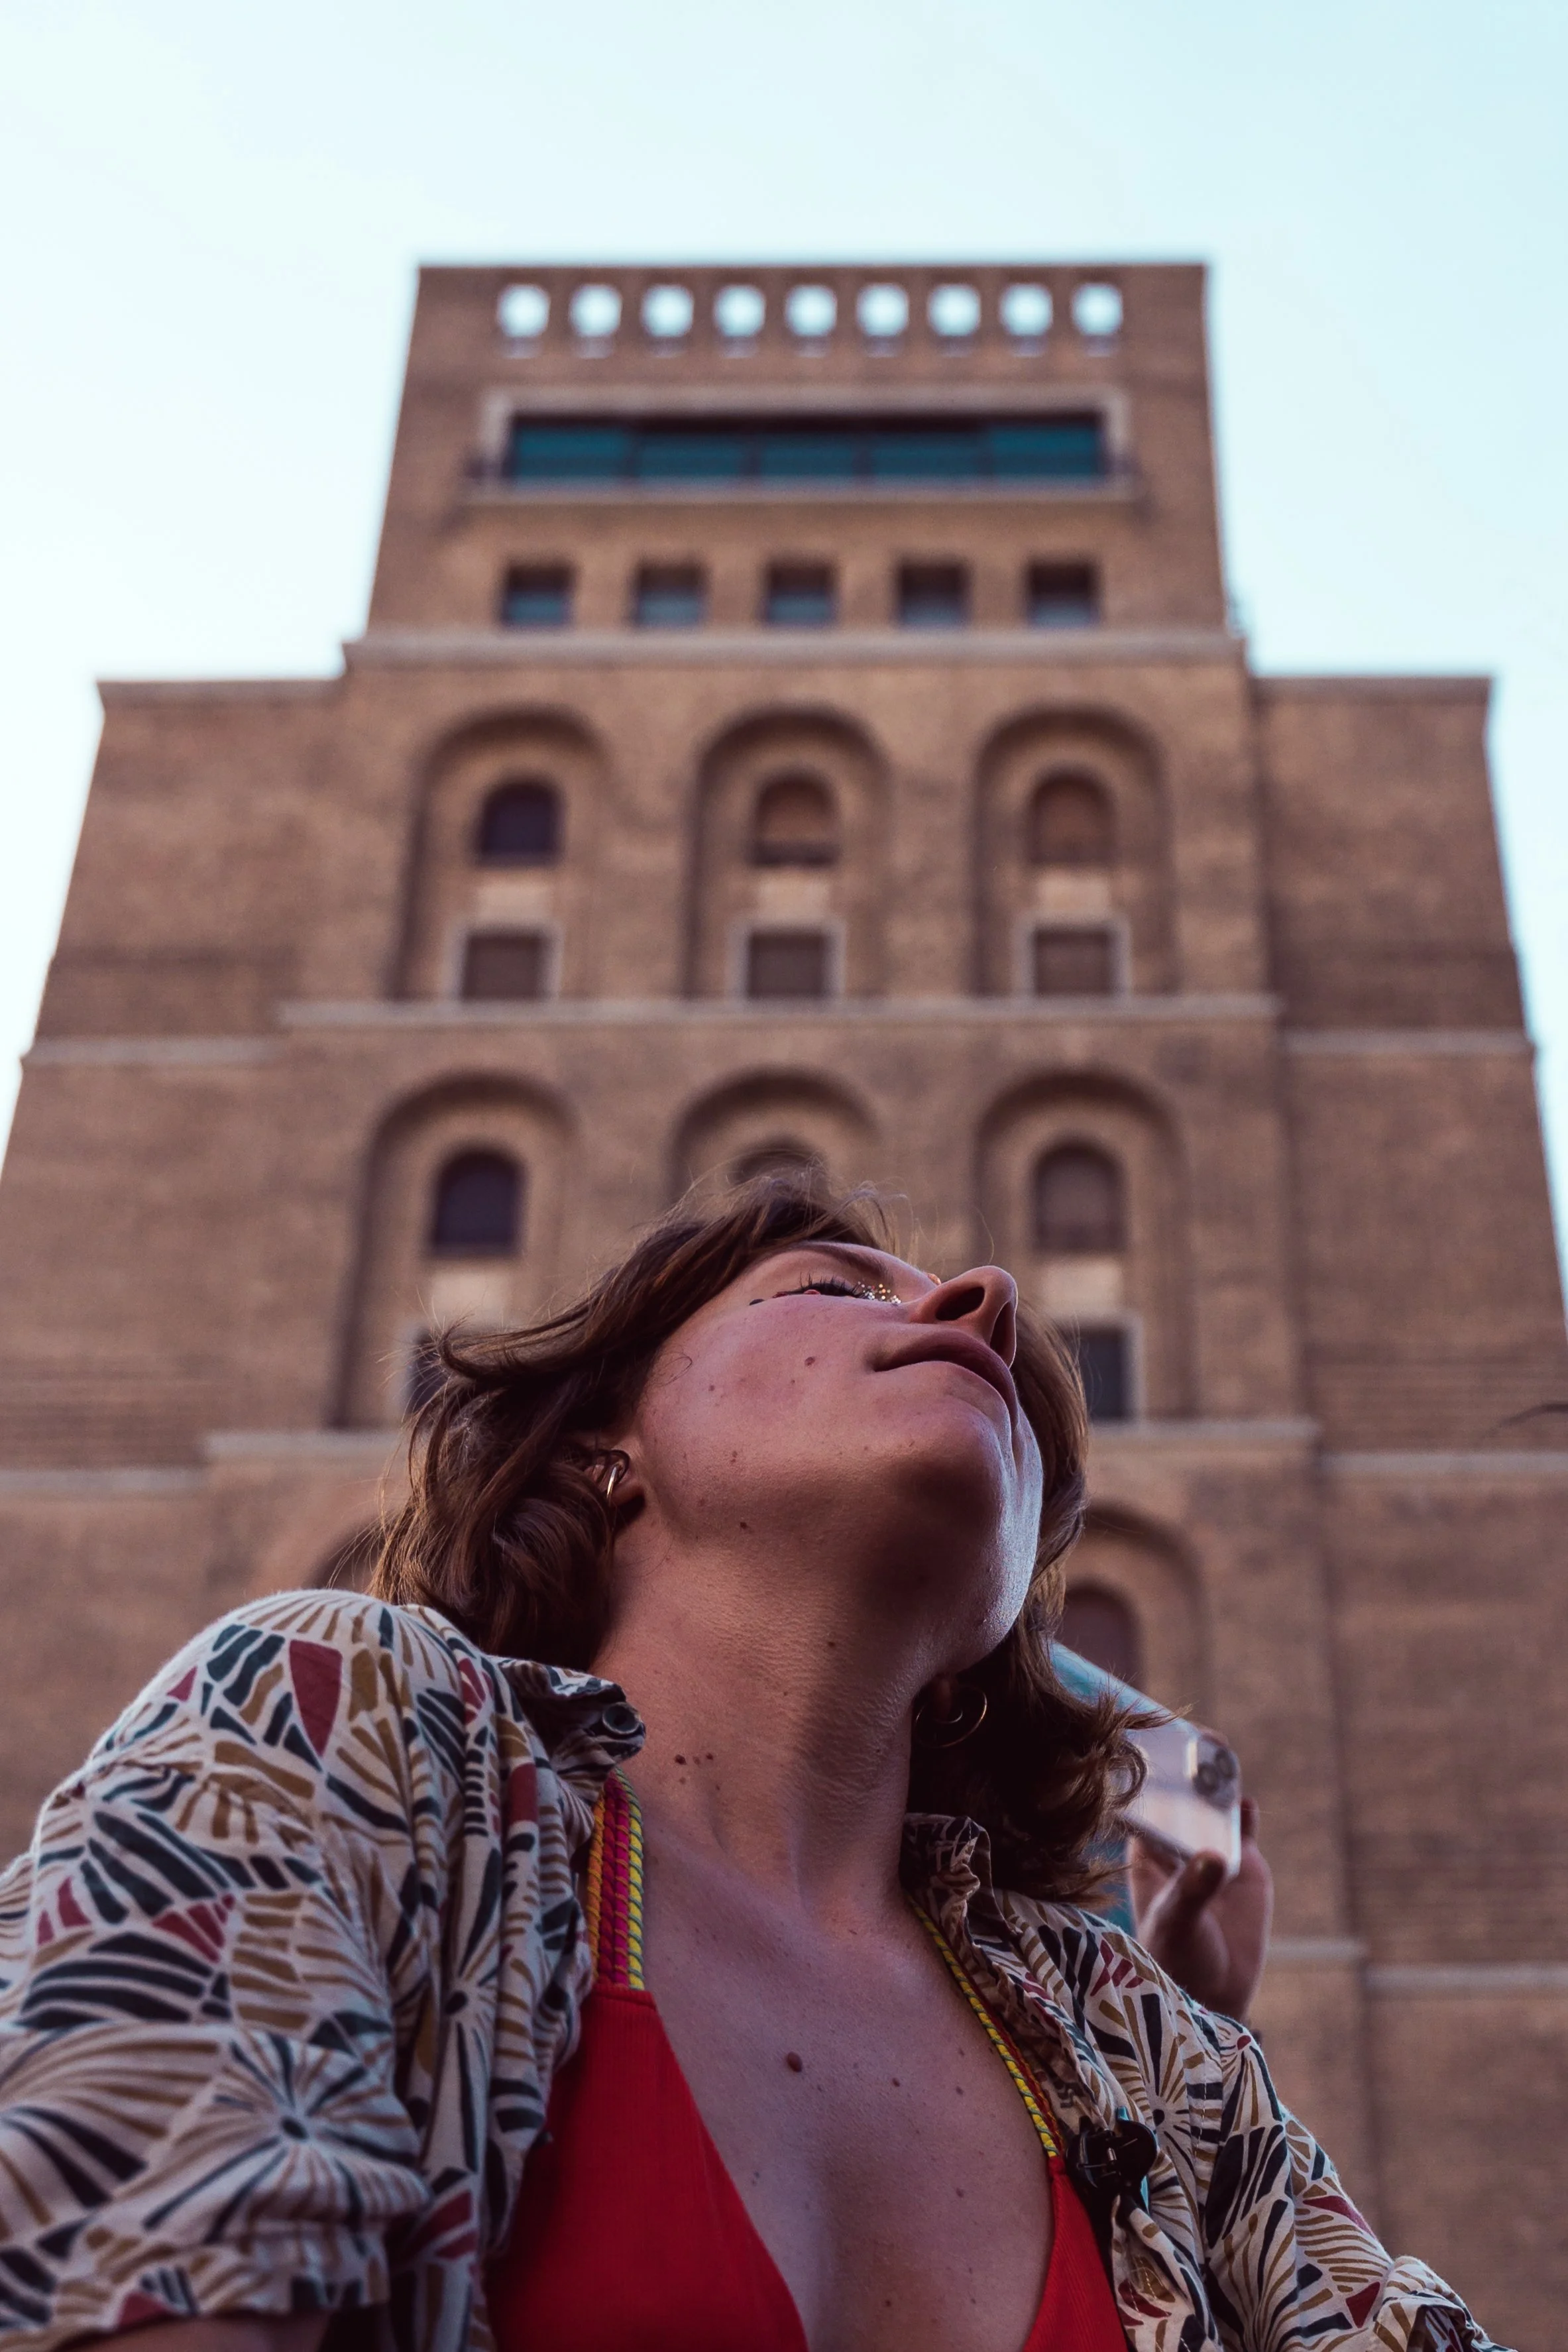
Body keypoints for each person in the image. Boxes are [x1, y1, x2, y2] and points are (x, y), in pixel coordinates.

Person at [0, 1177, 1500, 2352]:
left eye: (1026, 1410)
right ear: (605, 1446)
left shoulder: (1143, 2048)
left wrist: (1184, 2038)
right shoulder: (342, 1716)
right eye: (834, 1288)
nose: (990, 1301)